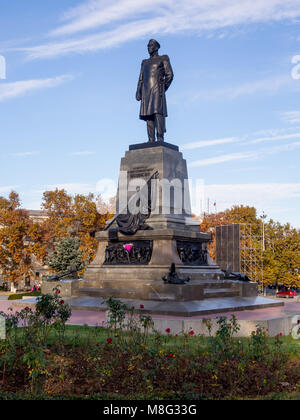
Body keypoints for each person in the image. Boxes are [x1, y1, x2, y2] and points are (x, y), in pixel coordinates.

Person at [136, 39, 174, 142]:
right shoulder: (145, 62)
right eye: (148, 46)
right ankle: (151, 139)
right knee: (148, 114)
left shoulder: (163, 58)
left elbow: (169, 75)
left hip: (157, 90)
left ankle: (160, 137)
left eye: (151, 45)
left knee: (157, 113)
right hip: (146, 91)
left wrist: (163, 87)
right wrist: (138, 91)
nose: (148, 47)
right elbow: (141, 78)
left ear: (156, 47)